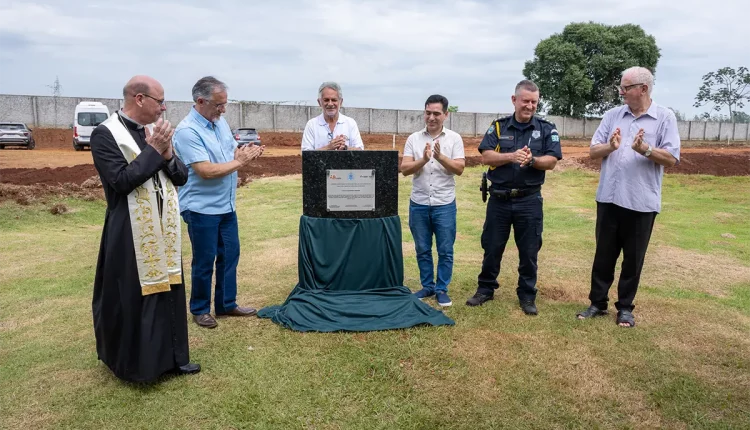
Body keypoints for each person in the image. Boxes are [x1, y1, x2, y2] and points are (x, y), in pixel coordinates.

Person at [90, 75, 199, 383]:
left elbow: (180, 178)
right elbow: (122, 181)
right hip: (128, 230)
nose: (162, 109)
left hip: (162, 227)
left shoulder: (155, 132)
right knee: (134, 295)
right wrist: (154, 150)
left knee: (169, 290)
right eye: (159, 102)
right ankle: (140, 366)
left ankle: (175, 359)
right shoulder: (104, 135)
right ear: (139, 99)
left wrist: (165, 154)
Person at [576, 66, 680, 328]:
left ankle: (625, 308)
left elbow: (671, 158)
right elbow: (592, 151)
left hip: (641, 202)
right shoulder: (613, 116)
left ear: (643, 89)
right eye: (621, 88)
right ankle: (597, 303)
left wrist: (646, 150)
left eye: (626, 87)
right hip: (609, 199)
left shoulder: (664, 118)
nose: (621, 92)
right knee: (603, 256)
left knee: (633, 260)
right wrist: (610, 147)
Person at [173, 76, 264, 329]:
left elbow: (231, 151)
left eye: (225, 104)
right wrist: (241, 162)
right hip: (201, 208)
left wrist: (246, 153)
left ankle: (226, 304)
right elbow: (205, 170)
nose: (223, 109)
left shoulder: (219, 123)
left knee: (230, 255)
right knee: (204, 260)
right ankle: (200, 309)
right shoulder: (187, 132)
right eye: (218, 104)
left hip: (226, 206)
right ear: (200, 101)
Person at [466, 80, 562, 315]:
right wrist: (511, 157)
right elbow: (487, 157)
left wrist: (532, 161)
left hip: (529, 200)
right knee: (491, 246)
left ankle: (527, 295)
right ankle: (485, 290)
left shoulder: (547, 128)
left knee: (529, 250)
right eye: (525, 101)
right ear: (514, 100)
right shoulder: (498, 127)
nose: (529, 106)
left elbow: (552, 161)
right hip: (499, 199)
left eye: (534, 102)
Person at [400, 94, 465, 307]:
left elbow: (459, 168)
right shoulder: (414, 139)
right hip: (419, 203)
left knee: (445, 249)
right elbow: (405, 169)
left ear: (446, 114)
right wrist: (424, 159)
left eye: (437, 113)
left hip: (444, 204)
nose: (432, 117)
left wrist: (440, 157)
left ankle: (441, 289)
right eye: (428, 113)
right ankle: (427, 286)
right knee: (422, 248)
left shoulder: (454, 139)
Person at [301, 81, 364, 151]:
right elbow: (306, 155)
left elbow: (360, 150)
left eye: (334, 100)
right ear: (319, 102)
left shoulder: (350, 123)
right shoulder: (312, 125)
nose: (330, 104)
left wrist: (345, 148)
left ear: (341, 102)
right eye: (326, 100)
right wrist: (328, 148)